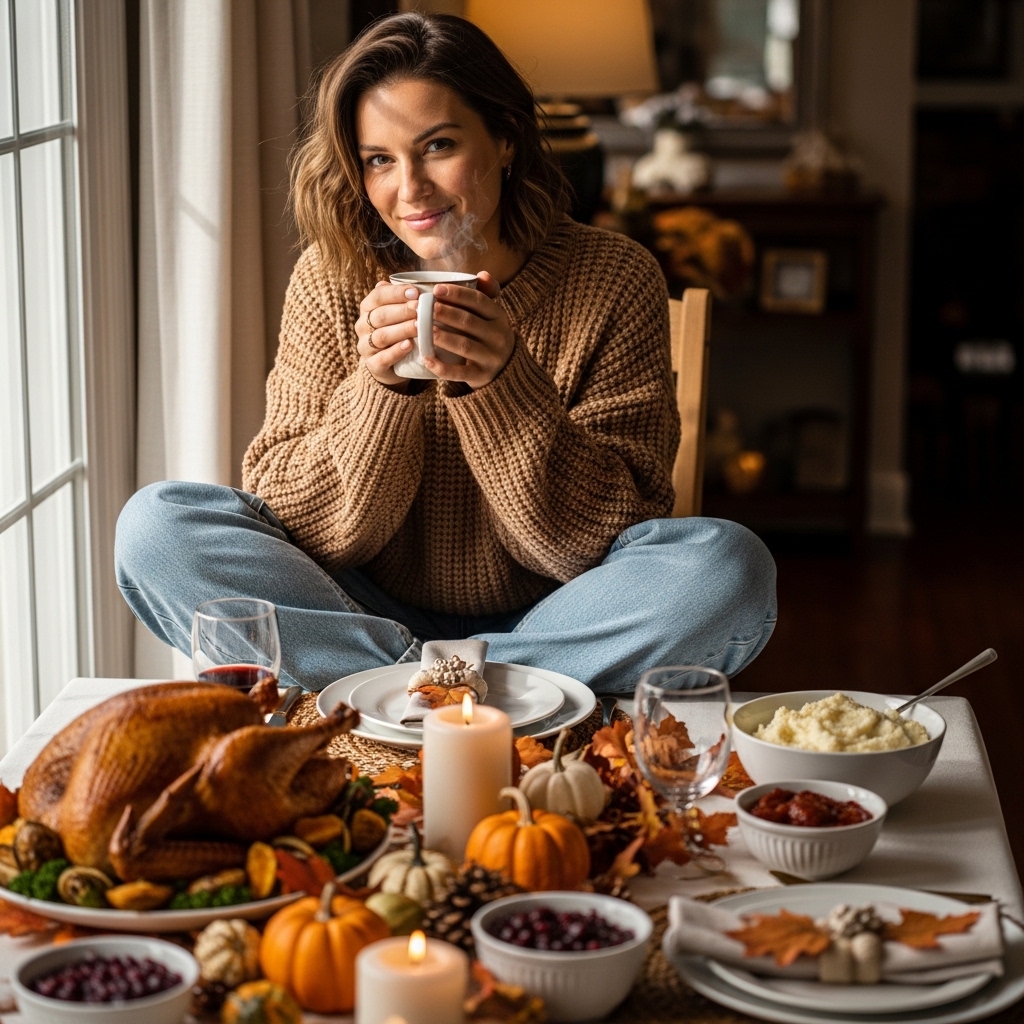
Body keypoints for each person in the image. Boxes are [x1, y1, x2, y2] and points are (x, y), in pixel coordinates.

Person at [116, 12, 776, 692]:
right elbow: (297, 523)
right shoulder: (331, 276)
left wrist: (503, 385)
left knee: (728, 569)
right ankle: (488, 688)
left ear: (506, 138)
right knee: (156, 528)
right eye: (380, 160)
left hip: (560, 615)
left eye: (437, 146)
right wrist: (380, 389)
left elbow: (608, 538)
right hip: (357, 611)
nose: (410, 191)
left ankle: (388, 691)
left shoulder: (613, 276)